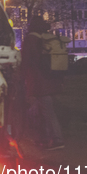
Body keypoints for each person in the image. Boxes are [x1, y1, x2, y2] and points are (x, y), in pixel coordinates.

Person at [21, 16, 65, 151]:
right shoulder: (45, 40)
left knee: (48, 112)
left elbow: (26, 61)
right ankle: (45, 138)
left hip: (38, 82)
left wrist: (20, 77)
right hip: (49, 80)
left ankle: (57, 139)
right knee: (42, 111)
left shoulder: (30, 40)